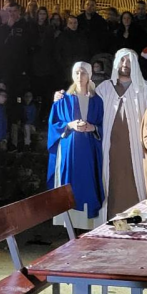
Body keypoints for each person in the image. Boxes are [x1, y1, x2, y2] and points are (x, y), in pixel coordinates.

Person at [92, 48, 147, 223]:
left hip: (136, 150)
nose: (125, 65)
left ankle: (139, 222)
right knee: (110, 185)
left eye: (129, 61)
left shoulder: (146, 90)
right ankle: (110, 224)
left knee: (136, 184)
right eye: (122, 60)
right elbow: (86, 105)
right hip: (110, 150)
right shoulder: (104, 88)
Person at [48, 62, 105, 229]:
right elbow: (54, 124)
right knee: (69, 185)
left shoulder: (97, 101)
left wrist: (92, 127)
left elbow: (103, 125)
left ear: (89, 76)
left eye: (83, 73)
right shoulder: (63, 99)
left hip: (88, 150)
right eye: (77, 73)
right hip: (69, 150)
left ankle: (87, 225)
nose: (80, 77)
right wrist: (70, 125)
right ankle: (69, 223)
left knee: (87, 183)